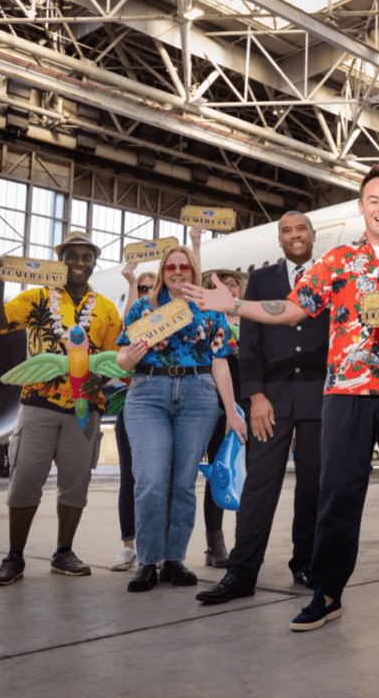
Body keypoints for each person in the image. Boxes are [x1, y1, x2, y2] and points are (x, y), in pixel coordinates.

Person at [185, 165, 379, 630]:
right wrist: (233, 305)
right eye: (373, 200)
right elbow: (292, 308)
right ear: (361, 207)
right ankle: (327, 592)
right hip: (346, 394)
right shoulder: (335, 262)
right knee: (337, 495)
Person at [196, 212, 330, 604]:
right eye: (287, 231)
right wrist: (254, 395)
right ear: (280, 239)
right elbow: (250, 341)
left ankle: (305, 563)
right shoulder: (263, 278)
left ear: (313, 234)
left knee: (313, 487)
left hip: (318, 397)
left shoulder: (328, 275)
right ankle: (242, 571)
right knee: (258, 487)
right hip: (270, 400)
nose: (295, 235)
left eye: (301, 229)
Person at [0, 231, 122, 586]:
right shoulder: (37, 297)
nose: (78, 263)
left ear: (93, 263)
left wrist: (102, 380)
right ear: (60, 261)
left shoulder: (105, 309)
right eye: (71, 256)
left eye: (86, 257)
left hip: (84, 409)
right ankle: (14, 557)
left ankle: (64, 552)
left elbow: (116, 358)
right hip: (38, 404)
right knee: (25, 480)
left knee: (76, 484)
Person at [115, 245, 245, 593]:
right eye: (170, 266)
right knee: (151, 479)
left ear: (192, 270)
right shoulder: (144, 307)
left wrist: (231, 412)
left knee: (184, 482)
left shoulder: (209, 307)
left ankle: (174, 560)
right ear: (162, 271)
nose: (176, 271)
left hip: (198, 393)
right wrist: (130, 356)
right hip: (148, 393)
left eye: (183, 266)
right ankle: (147, 560)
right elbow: (121, 361)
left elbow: (220, 361)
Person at [199, 268, 248, 568]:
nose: (229, 288)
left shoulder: (254, 322)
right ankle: (214, 546)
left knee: (249, 474)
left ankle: (245, 542)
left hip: (251, 405)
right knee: (220, 472)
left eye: (234, 285)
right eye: (223, 285)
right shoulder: (210, 320)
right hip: (218, 407)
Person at [110, 263, 156, 572]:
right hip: (131, 404)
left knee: (161, 479)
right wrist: (130, 283)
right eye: (142, 289)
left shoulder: (175, 320)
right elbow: (128, 322)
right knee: (130, 477)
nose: (147, 293)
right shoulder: (135, 324)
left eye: (153, 288)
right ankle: (129, 544)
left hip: (166, 406)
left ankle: (160, 547)